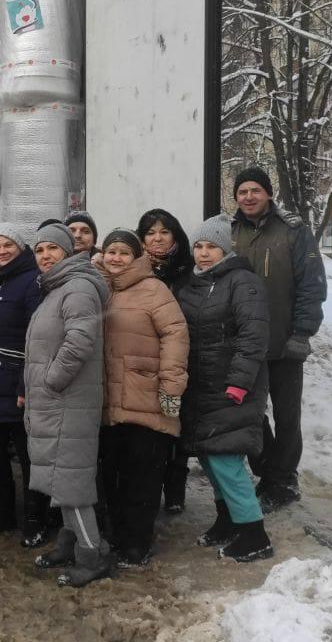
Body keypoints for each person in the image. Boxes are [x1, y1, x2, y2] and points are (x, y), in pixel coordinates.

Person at [230, 168, 327, 511]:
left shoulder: (293, 231)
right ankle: (269, 471)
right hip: (245, 345)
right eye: (243, 191)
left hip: (284, 342)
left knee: (287, 417)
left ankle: (283, 480)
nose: (249, 197)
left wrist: (302, 333)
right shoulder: (229, 232)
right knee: (251, 414)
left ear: (268, 194)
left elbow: (312, 286)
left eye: (256, 190)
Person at [179, 215, 273, 563]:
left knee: (226, 458)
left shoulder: (242, 283)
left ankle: (254, 533)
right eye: (199, 247)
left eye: (211, 247)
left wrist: (238, 384)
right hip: (201, 387)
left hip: (232, 388)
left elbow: (253, 337)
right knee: (209, 455)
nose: (203, 254)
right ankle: (227, 520)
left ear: (225, 250)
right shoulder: (194, 284)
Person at [25, 223, 113, 588]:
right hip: (55, 403)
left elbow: (79, 341)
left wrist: (52, 380)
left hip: (67, 402)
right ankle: (69, 542)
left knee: (72, 484)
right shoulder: (57, 288)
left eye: (53, 249)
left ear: (68, 253)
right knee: (60, 479)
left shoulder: (76, 288)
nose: (45, 256)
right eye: (40, 249)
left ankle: (92, 556)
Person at [97, 229, 189, 569]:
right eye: (111, 252)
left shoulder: (154, 290)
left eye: (124, 252)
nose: (116, 258)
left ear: (137, 257)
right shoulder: (101, 289)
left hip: (147, 399)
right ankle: (118, 538)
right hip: (109, 403)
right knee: (113, 477)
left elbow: (176, 337)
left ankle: (137, 545)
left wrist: (170, 387)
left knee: (143, 480)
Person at [0, 223, 48, 547]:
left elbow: (38, 335)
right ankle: (3, 512)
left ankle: (36, 520)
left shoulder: (31, 280)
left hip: (16, 381)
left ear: (20, 247)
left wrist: (25, 385)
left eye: (7, 245)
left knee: (30, 457)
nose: (1, 251)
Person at [137, 208, 194, 514]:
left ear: (175, 235)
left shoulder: (188, 270)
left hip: (180, 359)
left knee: (176, 427)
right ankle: (152, 487)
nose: (157, 239)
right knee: (152, 431)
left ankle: (175, 489)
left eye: (163, 232)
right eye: (149, 233)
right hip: (144, 360)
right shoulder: (135, 270)